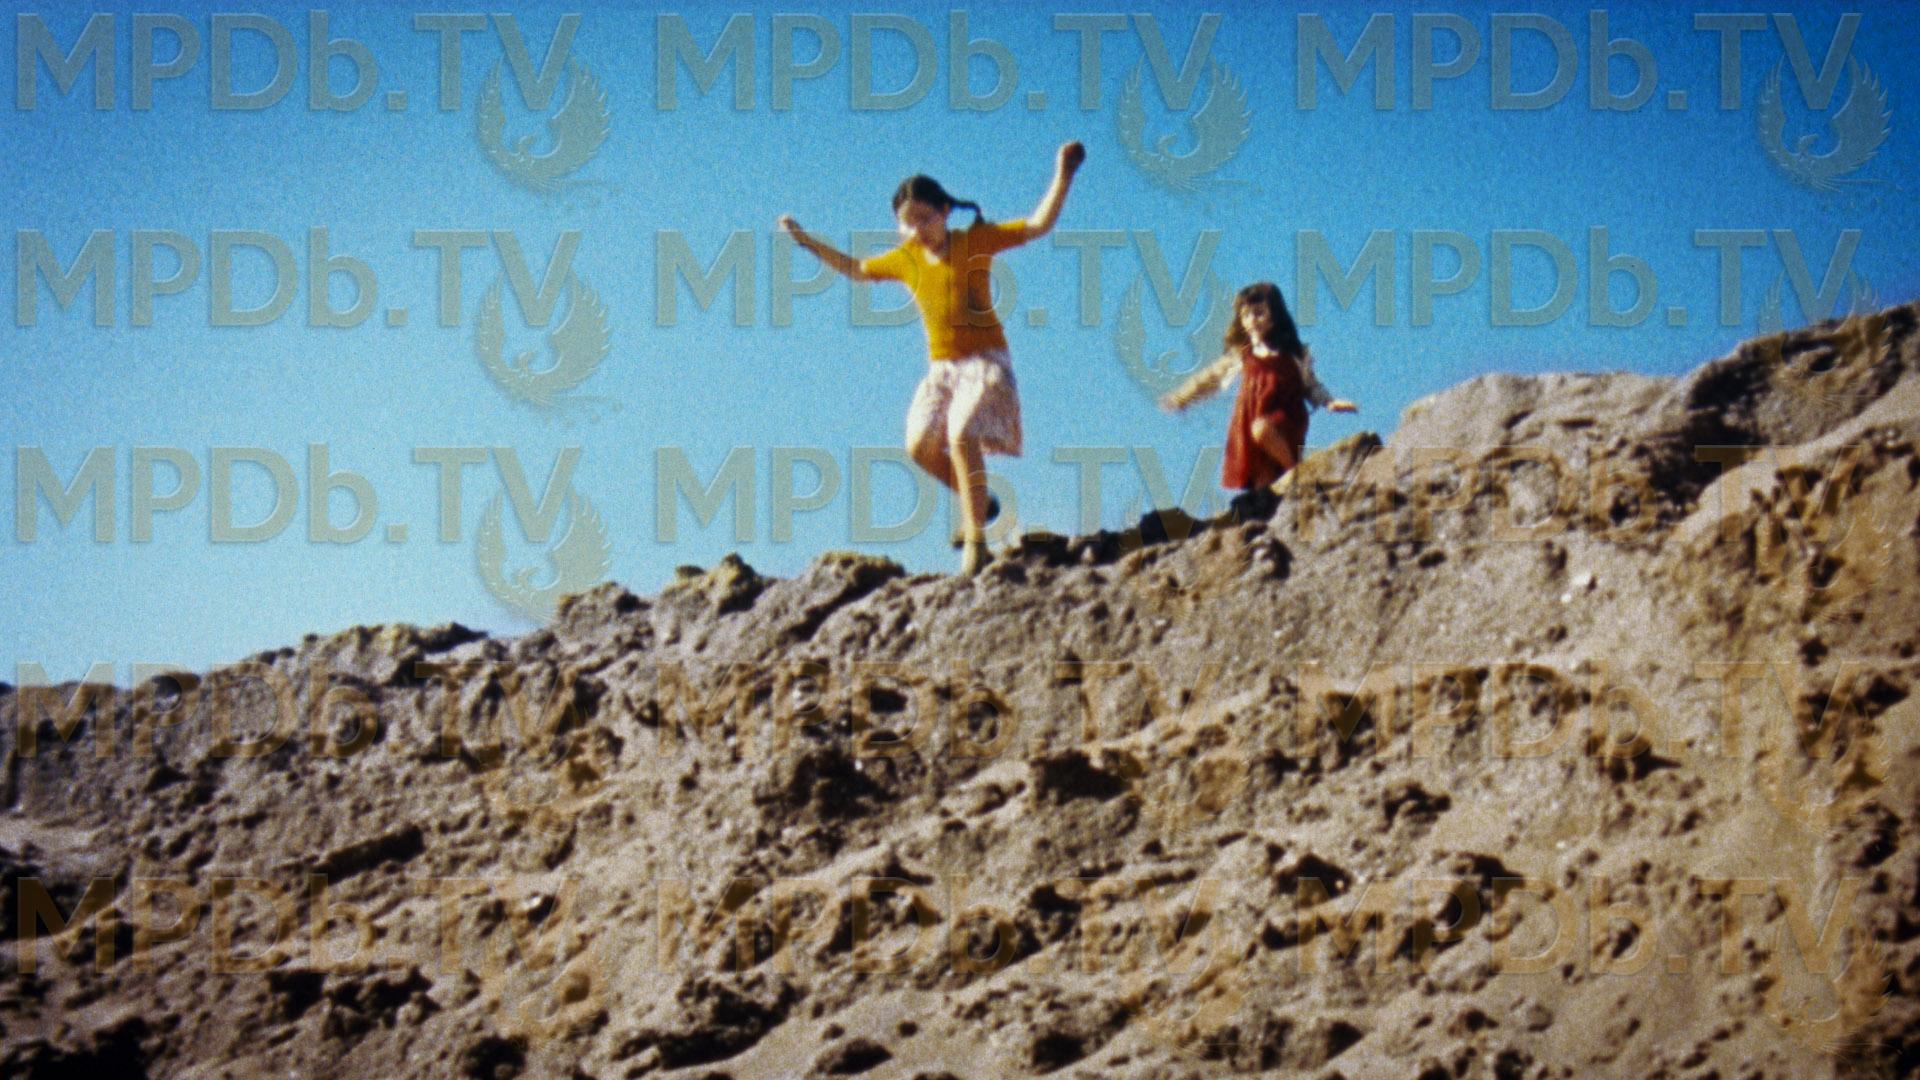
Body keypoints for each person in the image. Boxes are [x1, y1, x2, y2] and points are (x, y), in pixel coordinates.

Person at [778, 141, 1086, 574]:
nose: (917, 230)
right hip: (942, 371)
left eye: (924, 219)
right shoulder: (906, 259)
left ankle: (975, 541)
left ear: (944, 212)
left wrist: (1064, 174)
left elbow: (1038, 224)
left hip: (984, 364)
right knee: (919, 445)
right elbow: (857, 269)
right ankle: (979, 500)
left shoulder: (975, 241)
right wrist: (807, 242)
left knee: (961, 433)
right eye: (907, 224)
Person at [1160, 281, 1357, 494]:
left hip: (1285, 418)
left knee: (1261, 429)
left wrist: (1329, 401)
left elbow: (1310, 385)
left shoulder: (1294, 354)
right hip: (1249, 418)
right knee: (1264, 481)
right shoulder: (1242, 355)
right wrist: (1182, 397)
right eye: (1246, 315)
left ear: (1275, 315)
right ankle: (1280, 500)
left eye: (1259, 313)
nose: (1252, 320)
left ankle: (1297, 472)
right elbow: (1210, 378)